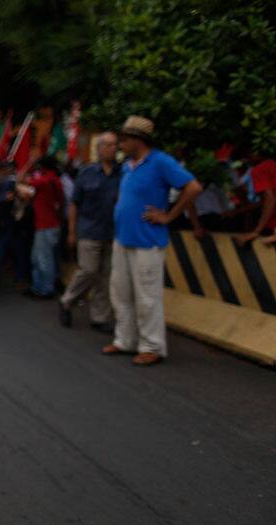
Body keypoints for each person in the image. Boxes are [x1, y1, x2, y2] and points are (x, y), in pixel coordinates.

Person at [104, 115, 202, 366]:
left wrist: (169, 215)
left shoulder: (161, 162)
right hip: (123, 239)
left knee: (147, 297)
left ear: (139, 140)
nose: (121, 145)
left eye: (124, 140)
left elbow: (193, 187)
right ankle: (124, 340)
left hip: (148, 241)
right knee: (121, 293)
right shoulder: (128, 165)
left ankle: (152, 346)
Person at [59, 132, 121, 332]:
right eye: (107, 145)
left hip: (112, 232)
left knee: (106, 276)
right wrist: (71, 231)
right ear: (99, 148)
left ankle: (100, 317)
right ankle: (67, 300)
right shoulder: (86, 173)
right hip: (89, 230)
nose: (112, 148)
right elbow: (74, 204)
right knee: (89, 270)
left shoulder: (123, 173)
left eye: (114, 145)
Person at [21, 155, 65, 298]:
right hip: (51, 223)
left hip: (45, 225)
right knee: (40, 257)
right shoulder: (55, 179)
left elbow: (22, 182)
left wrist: (29, 164)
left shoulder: (44, 180)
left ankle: (45, 289)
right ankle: (38, 287)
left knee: (43, 259)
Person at [234, 153, 275, 246]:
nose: (246, 160)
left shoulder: (260, 169)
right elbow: (264, 202)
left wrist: (256, 231)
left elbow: (270, 200)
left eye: (247, 156)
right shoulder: (270, 166)